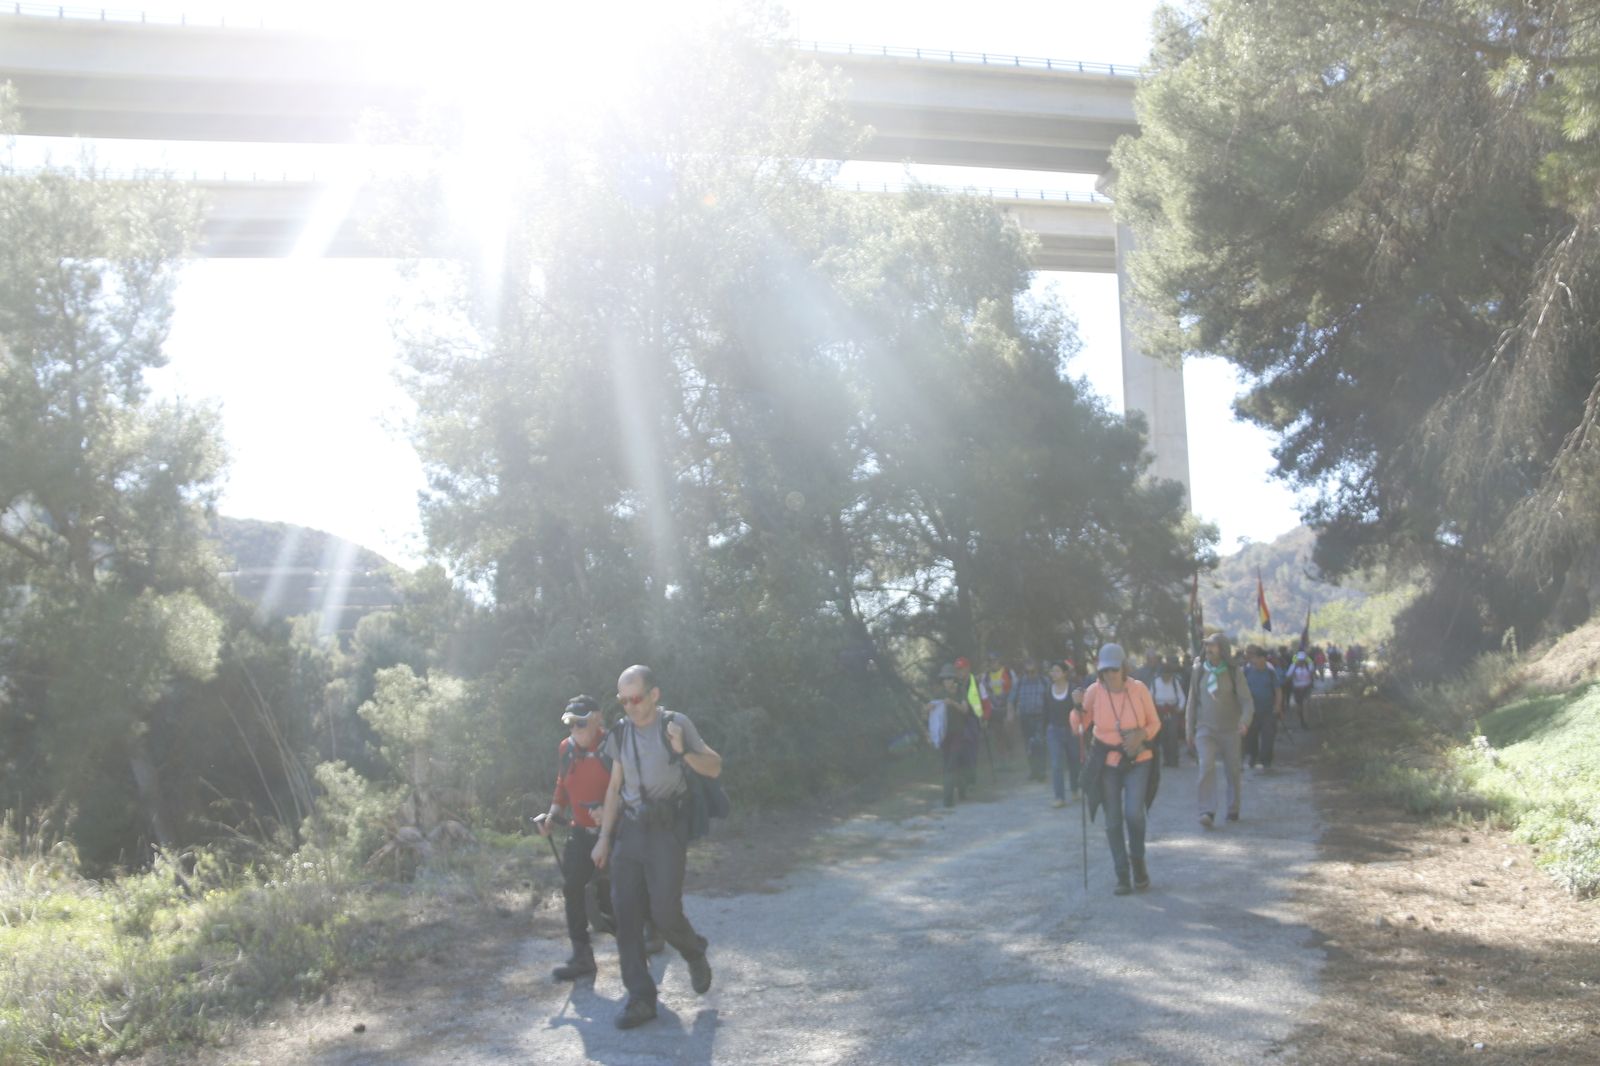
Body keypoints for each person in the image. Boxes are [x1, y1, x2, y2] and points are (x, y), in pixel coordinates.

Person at [592, 665, 722, 1030]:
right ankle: (640, 998)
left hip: (667, 830)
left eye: (635, 698)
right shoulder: (621, 732)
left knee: (664, 912)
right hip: (631, 829)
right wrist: (603, 837)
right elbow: (614, 787)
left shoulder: (675, 724)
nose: (629, 706)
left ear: (654, 694)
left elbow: (714, 767)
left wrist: (683, 752)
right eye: (623, 700)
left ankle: (693, 950)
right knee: (625, 913)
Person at [539, 695, 615, 981]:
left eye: (580, 723)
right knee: (572, 889)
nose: (574, 729)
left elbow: (630, 788)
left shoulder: (614, 746)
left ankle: (649, 934)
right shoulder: (566, 748)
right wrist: (552, 814)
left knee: (619, 892)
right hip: (580, 831)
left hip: (616, 832)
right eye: (570, 724)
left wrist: (609, 812)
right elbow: (562, 784)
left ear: (597, 719)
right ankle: (582, 956)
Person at [1076, 643, 1161, 895]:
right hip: (1107, 763)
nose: (1110, 674)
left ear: (1124, 667)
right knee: (1112, 821)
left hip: (1138, 759)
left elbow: (1155, 723)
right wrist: (1077, 707)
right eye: (1105, 670)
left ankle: (1139, 864)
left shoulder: (1139, 689)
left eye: (1114, 669)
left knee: (1134, 813)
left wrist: (1141, 735)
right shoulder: (1094, 691)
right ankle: (1122, 875)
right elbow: (1078, 725)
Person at [1186, 633, 1252, 828]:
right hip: (1205, 729)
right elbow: (1192, 702)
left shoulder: (1233, 672)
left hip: (1231, 729)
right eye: (1206, 645)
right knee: (1206, 766)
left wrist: (1244, 721)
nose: (1208, 649)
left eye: (1212, 646)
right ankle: (1207, 810)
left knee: (1233, 770)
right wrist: (1189, 729)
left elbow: (1247, 701)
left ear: (1222, 649)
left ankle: (1233, 808)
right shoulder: (1199, 670)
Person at [927, 664, 977, 806]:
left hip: (959, 733)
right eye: (944, 679)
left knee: (951, 764)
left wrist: (953, 703)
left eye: (949, 678)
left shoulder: (960, 691)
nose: (947, 681)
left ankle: (947, 799)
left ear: (954, 679)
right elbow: (927, 710)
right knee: (950, 763)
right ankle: (962, 791)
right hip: (944, 735)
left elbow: (965, 710)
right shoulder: (939, 694)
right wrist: (928, 708)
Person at [1043, 659, 1080, 806]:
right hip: (1054, 731)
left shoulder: (1073, 689)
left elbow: (1080, 710)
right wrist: (1044, 729)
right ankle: (1059, 797)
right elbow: (1045, 712)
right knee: (1056, 764)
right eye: (1052, 671)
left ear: (1065, 673)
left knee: (1074, 761)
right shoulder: (1047, 690)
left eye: (1057, 671)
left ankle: (1075, 789)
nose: (1054, 673)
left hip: (1071, 730)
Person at [1241, 646, 1284, 771]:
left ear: (1263, 659)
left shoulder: (1270, 672)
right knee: (1251, 737)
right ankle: (1253, 757)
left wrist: (1277, 706)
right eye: (1252, 658)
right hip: (1251, 711)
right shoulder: (1247, 671)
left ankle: (1266, 761)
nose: (1253, 660)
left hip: (1268, 711)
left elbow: (1278, 690)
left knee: (1268, 737)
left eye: (1255, 658)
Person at [1011, 658, 1049, 781]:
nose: (1030, 674)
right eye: (1027, 672)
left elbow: (1051, 698)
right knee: (1029, 744)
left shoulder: (1044, 681)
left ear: (1037, 670)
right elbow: (1011, 699)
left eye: (1032, 672)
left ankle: (1041, 771)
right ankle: (1033, 771)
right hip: (1025, 717)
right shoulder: (1020, 683)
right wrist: (1010, 713)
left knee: (1039, 743)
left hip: (1040, 717)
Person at [1150, 659, 1187, 768]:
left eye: (1168, 675)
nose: (1166, 677)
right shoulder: (1155, 683)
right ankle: (1166, 760)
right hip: (1159, 712)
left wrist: (1180, 708)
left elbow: (1182, 697)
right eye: (1164, 675)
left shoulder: (1175, 682)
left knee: (1173, 736)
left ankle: (1174, 760)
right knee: (1163, 736)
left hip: (1172, 711)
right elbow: (1149, 699)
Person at [1286, 650, 1316, 729]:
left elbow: (1313, 674)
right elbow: (1288, 678)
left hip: (1307, 687)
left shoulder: (1309, 665)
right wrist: (1293, 672)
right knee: (1299, 706)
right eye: (1300, 660)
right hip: (1297, 689)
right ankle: (1301, 720)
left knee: (1306, 704)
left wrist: (1312, 674)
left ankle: (1306, 722)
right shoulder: (1293, 666)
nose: (1301, 661)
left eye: (1302, 660)